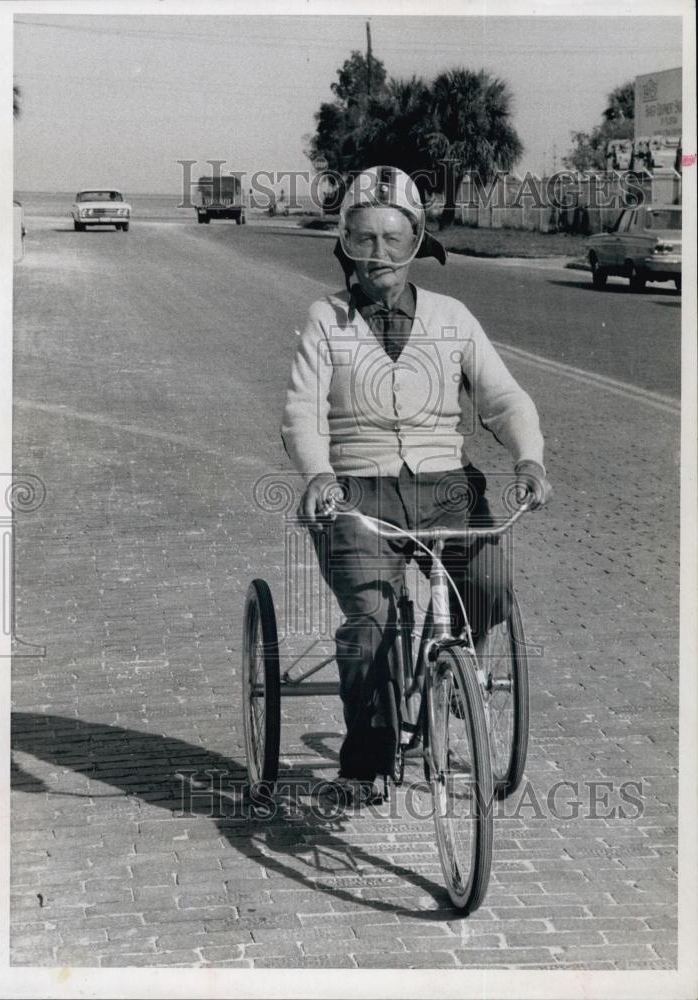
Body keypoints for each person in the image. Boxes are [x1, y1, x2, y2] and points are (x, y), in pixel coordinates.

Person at [281, 166, 551, 805]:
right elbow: (301, 412)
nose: (380, 255)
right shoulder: (326, 319)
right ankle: (367, 764)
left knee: (489, 584)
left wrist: (529, 459)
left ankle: (455, 663)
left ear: (417, 242)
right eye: (364, 238)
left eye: (394, 239)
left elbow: (503, 397)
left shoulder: (452, 316)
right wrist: (319, 475)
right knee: (371, 623)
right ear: (345, 245)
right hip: (356, 495)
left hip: (448, 491)